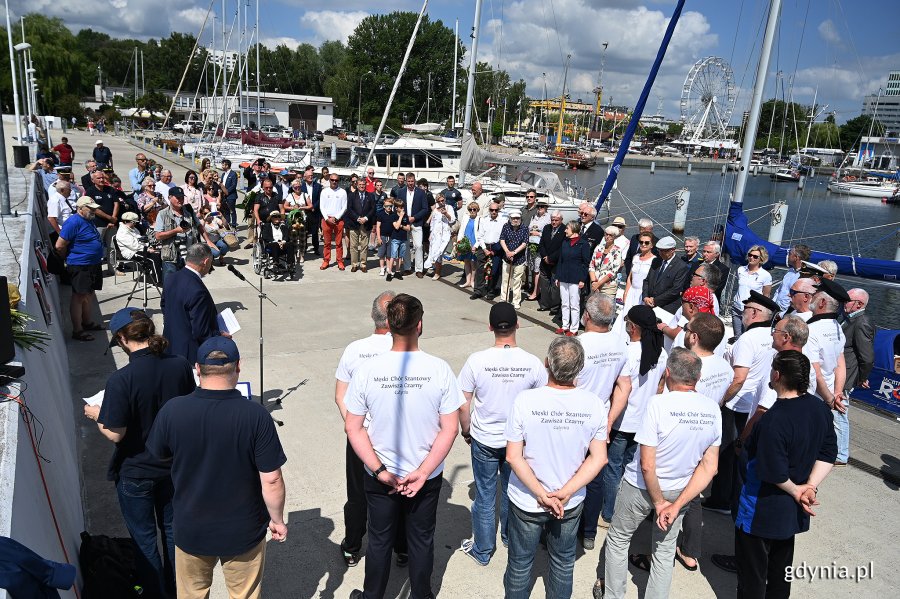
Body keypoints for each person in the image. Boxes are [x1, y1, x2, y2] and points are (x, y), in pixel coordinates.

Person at [146, 336, 287, 599]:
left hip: (191, 528)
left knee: (191, 594)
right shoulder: (256, 416)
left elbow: (158, 459)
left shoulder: (172, 411)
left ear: (197, 370)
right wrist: (277, 520)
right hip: (243, 530)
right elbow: (272, 479)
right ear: (238, 367)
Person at [345, 294, 465, 599]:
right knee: (422, 541)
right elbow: (450, 428)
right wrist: (423, 472)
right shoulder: (439, 370)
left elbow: (353, 427)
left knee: (380, 540)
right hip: (425, 477)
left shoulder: (367, 370)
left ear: (388, 324)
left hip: (380, 475)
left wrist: (379, 470)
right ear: (420, 325)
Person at [84, 308, 195, 598]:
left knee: (145, 542)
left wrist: (97, 415)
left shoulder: (121, 380)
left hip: (136, 472)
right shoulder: (180, 365)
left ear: (122, 339)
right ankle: (177, 591)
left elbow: (115, 433)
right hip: (173, 467)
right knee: (172, 534)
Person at [599, 348, 721, 599]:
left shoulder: (658, 404)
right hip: (681, 490)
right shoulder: (712, 409)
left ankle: (613, 595)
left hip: (641, 488)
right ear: (697, 378)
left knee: (619, 540)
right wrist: (675, 505)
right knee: (664, 551)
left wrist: (658, 502)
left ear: (667, 373)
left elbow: (647, 465)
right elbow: (711, 467)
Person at [503, 336, 609, 599]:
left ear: (547, 363)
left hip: (527, 499)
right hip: (569, 502)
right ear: (580, 369)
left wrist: (541, 494)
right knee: (563, 563)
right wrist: (565, 492)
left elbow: (514, 457)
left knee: (519, 564)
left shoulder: (525, 401)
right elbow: (599, 458)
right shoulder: (594, 404)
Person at [733, 350, 836, 598]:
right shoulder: (819, 409)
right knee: (781, 571)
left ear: (776, 375)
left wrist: (797, 490)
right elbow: (828, 451)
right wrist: (809, 486)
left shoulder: (773, 420)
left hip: (760, 508)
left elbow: (773, 471)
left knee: (752, 575)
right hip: (791, 510)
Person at [458, 303, 547, 566]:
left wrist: (466, 429)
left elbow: (463, 403)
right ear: (517, 325)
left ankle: (483, 550)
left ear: (490, 327)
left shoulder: (477, 360)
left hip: (484, 437)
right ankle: (509, 536)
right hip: (516, 442)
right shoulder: (531, 363)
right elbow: (542, 401)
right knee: (512, 490)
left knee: (485, 495)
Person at [333, 291, 408, 567]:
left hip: (359, 437)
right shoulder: (404, 348)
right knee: (398, 490)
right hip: (395, 436)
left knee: (357, 494)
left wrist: (355, 427)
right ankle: (402, 548)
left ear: (373, 316)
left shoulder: (354, 349)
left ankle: (353, 547)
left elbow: (340, 395)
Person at [703, 290, 779, 516]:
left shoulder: (747, 339)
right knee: (741, 454)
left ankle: (721, 499)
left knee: (727, 453)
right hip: (755, 403)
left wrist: (721, 399)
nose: (742, 313)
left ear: (755, 313)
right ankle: (733, 496)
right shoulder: (771, 335)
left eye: (746, 310)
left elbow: (739, 377)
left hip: (737, 403)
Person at [601, 305, 667, 527]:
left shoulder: (627, 352)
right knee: (630, 468)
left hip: (623, 421)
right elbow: (660, 386)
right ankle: (625, 510)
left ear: (633, 327)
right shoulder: (661, 352)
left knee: (613, 468)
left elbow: (618, 388)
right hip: (644, 421)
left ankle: (608, 512)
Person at [577, 293, 630, 548]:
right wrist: (609, 421)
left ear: (587, 316)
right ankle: (588, 532)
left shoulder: (579, 344)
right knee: (595, 477)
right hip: (600, 419)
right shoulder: (621, 343)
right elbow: (624, 387)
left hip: (575, 419)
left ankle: (563, 529)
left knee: (569, 474)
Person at [806, 278, 850, 464]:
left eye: (815, 294)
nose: (811, 296)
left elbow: (814, 373)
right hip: (828, 394)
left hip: (813, 398)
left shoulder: (811, 330)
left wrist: (830, 399)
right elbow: (840, 363)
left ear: (822, 302)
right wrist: (837, 392)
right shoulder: (837, 328)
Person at [161, 244, 223, 365]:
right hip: (190, 355)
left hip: (170, 346)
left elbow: (164, 306)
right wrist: (219, 336)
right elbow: (201, 331)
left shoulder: (171, 278)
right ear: (205, 261)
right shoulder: (198, 290)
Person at [55, 197, 105, 341]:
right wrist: (67, 260)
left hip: (92, 264)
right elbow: (59, 245)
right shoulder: (73, 222)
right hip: (80, 265)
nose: (94, 211)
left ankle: (87, 322)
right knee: (79, 296)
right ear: (80, 208)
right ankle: (77, 330)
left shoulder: (88, 220)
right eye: (91, 208)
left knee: (89, 294)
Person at [842, 288, 874, 464]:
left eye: (847, 300)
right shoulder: (850, 318)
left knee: (840, 413)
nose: (843, 302)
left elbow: (867, 357)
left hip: (847, 374)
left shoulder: (861, 322)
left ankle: (840, 455)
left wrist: (862, 378)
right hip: (842, 371)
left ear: (859, 304)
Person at [154, 187, 203, 284]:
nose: (181, 200)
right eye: (178, 198)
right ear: (169, 197)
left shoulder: (188, 211)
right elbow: (158, 236)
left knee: (187, 285)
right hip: (171, 257)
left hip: (189, 256)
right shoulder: (162, 214)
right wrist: (176, 231)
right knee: (170, 286)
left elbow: (199, 226)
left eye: (182, 197)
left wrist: (208, 241)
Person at [555, 220, 592, 336]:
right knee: (565, 302)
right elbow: (560, 260)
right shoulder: (565, 242)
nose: (565, 230)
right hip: (564, 276)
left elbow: (586, 263)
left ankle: (574, 328)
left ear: (574, 230)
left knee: (574, 304)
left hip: (575, 277)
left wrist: (582, 279)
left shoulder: (583, 244)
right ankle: (565, 325)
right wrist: (558, 277)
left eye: (567, 228)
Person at [83, 170, 120, 273]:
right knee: (97, 247)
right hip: (98, 224)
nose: (101, 180)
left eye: (103, 177)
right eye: (98, 178)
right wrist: (109, 218)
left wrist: (113, 219)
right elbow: (93, 208)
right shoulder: (90, 191)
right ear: (93, 180)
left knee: (112, 247)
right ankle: (96, 268)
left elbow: (116, 203)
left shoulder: (110, 189)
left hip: (112, 224)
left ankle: (112, 268)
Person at [731, 245, 773, 336]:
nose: (751, 258)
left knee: (747, 336)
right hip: (737, 308)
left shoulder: (765, 275)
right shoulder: (741, 270)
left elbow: (766, 296)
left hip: (752, 310)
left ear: (761, 259)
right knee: (737, 336)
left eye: (755, 256)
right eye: (750, 255)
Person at [643, 236, 691, 314]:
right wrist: (645, 297)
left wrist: (655, 300)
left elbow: (675, 290)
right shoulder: (656, 261)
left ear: (672, 250)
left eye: (663, 251)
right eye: (659, 250)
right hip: (649, 303)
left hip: (666, 307)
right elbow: (647, 280)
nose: (660, 253)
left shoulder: (681, 266)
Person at [470, 202, 506, 300]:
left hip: (496, 246)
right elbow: (480, 235)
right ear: (489, 210)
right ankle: (479, 290)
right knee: (480, 268)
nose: (493, 212)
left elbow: (503, 237)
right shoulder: (484, 220)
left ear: (498, 210)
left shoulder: (503, 221)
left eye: (496, 210)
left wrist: (496, 249)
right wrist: (484, 249)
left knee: (494, 271)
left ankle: (492, 290)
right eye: (491, 210)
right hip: (484, 245)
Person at [115, 212, 163, 285]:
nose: (135, 224)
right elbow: (133, 246)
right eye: (133, 222)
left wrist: (149, 246)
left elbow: (141, 240)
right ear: (125, 221)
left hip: (140, 249)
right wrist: (148, 250)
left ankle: (161, 276)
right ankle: (158, 281)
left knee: (160, 254)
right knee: (153, 258)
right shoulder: (122, 232)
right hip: (131, 253)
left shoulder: (133, 229)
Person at [398, 172, 430, 278]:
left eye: (412, 181)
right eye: (409, 181)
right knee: (406, 245)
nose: (410, 183)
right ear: (406, 181)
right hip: (405, 222)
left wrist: (414, 217)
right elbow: (397, 207)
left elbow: (425, 209)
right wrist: (403, 218)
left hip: (416, 222)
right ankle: (407, 268)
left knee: (419, 246)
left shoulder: (421, 192)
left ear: (415, 181)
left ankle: (419, 269)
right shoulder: (401, 192)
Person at [498, 209, 528, 308]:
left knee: (517, 281)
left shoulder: (524, 228)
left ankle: (516, 301)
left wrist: (514, 252)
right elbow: (502, 239)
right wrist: (507, 252)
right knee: (505, 279)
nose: (515, 220)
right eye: (514, 218)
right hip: (506, 258)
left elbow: (524, 243)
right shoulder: (506, 226)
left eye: (517, 218)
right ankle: (504, 299)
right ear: (510, 218)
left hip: (519, 259)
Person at [346, 176, 376, 273]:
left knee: (364, 246)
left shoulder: (371, 195)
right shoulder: (351, 195)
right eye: (360, 185)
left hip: (366, 223)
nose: (362, 186)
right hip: (354, 223)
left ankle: (363, 264)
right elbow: (349, 209)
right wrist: (357, 218)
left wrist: (366, 218)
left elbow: (373, 209)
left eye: (363, 184)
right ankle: (354, 264)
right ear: (357, 185)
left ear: (365, 185)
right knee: (353, 246)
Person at [537, 211, 565, 313]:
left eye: (556, 220)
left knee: (555, 285)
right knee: (544, 284)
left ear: (561, 220)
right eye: (552, 220)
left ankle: (554, 307)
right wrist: (545, 256)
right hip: (544, 261)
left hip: (556, 262)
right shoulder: (546, 228)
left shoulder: (564, 230)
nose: (553, 222)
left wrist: (551, 258)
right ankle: (544, 304)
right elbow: (542, 244)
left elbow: (562, 248)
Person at [424, 193, 456, 280]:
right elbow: (432, 223)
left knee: (440, 252)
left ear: (445, 200)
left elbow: (452, 220)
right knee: (434, 252)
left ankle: (437, 272)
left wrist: (446, 214)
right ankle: (436, 271)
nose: (441, 202)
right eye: (439, 201)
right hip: (436, 234)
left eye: (442, 200)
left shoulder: (449, 208)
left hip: (445, 234)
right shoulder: (435, 210)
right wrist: (430, 234)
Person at [320, 172, 348, 270]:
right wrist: (327, 218)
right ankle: (326, 260)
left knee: (339, 243)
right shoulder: (324, 191)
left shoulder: (343, 192)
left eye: (336, 180)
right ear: (329, 180)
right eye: (332, 180)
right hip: (326, 219)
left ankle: (340, 261)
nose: (334, 182)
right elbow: (321, 206)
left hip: (338, 220)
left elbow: (344, 207)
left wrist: (336, 217)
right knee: (327, 243)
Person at [623, 231, 656, 313]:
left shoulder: (654, 260)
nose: (643, 244)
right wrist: (626, 293)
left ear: (651, 245)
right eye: (641, 242)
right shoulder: (635, 257)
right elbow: (630, 278)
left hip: (643, 294)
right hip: (631, 292)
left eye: (647, 242)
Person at [588, 226, 624, 300]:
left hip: (608, 287)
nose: (607, 237)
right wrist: (594, 282)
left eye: (610, 235)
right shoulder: (598, 248)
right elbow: (592, 265)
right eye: (606, 234)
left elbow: (613, 272)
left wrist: (599, 284)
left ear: (615, 237)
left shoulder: (617, 250)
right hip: (594, 284)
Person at [525, 200, 551, 301]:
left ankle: (536, 292)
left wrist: (538, 234)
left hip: (539, 245)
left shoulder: (548, 218)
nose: (540, 208)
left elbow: (548, 233)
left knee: (537, 270)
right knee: (532, 268)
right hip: (531, 245)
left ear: (546, 208)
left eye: (542, 207)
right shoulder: (534, 216)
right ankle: (535, 289)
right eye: (539, 206)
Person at [773, 244, 811, 311]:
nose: (787, 256)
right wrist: (772, 304)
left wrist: (783, 314)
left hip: (787, 313)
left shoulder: (804, 276)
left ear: (796, 257)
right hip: (775, 309)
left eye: (790, 254)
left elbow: (798, 300)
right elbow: (779, 290)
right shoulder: (790, 271)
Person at [455, 201, 479, 289]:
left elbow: (480, 233)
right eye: (470, 209)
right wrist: (459, 242)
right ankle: (467, 281)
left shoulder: (479, 219)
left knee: (473, 263)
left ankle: (472, 281)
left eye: (474, 209)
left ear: (477, 210)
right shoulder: (466, 218)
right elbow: (461, 230)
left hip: (473, 242)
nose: (472, 211)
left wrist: (476, 245)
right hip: (465, 242)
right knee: (466, 262)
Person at [301, 165, 323, 256]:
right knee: (304, 230)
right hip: (304, 211)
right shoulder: (301, 186)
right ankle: (304, 247)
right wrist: (306, 207)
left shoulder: (318, 186)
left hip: (314, 211)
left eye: (312, 175)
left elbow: (320, 199)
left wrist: (313, 206)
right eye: (309, 176)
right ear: (305, 177)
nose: (311, 177)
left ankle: (316, 248)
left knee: (315, 232)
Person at [220, 160, 239, 228]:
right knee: (226, 210)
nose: (222, 166)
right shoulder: (223, 174)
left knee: (232, 210)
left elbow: (234, 185)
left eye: (223, 165)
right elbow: (222, 183)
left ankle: (234, 225)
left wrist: (227, 192)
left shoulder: (233, 174)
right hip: (224, 196)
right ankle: (227, 224)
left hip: (231, 196)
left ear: (227, 165)